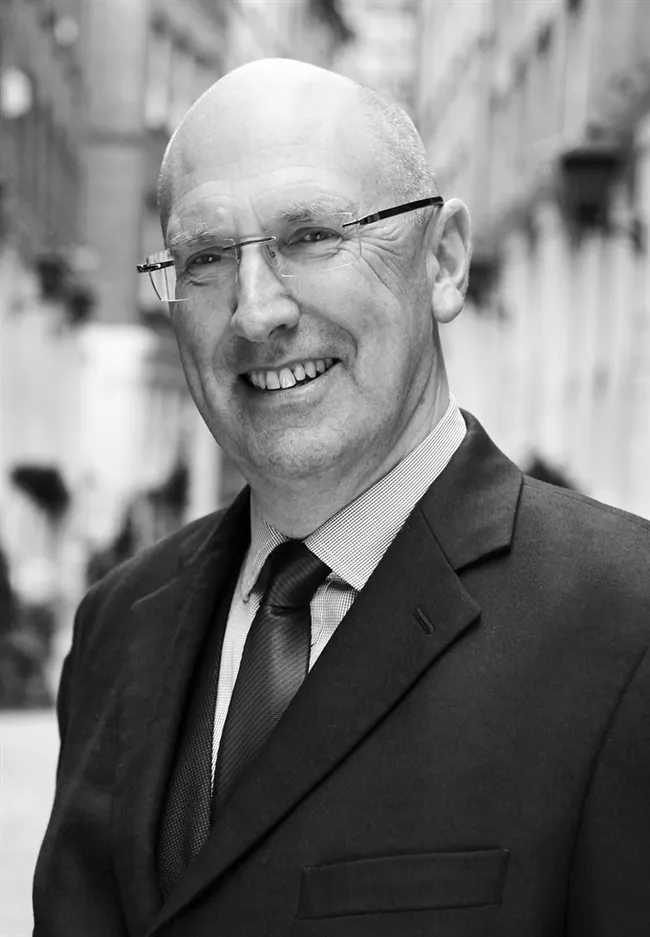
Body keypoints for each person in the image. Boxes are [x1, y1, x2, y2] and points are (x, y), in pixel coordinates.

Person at [33, 59, 650, 937]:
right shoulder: (117, 625)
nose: (256, 312)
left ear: (443, 261)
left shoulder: (625, 625)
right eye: (205, 258)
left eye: (312, 235)